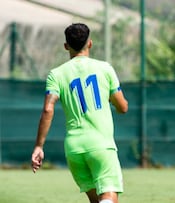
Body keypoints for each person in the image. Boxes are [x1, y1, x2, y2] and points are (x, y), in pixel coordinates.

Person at [31, 23, 128, 203]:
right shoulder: (105, 68)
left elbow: (47, 109)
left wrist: (39, 146)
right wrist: (109, 97)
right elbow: (122, 108)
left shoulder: (56, 74)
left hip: (74, 149)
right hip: (101, 146)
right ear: (90, 43)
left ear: (66, 46)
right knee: (108, 196)